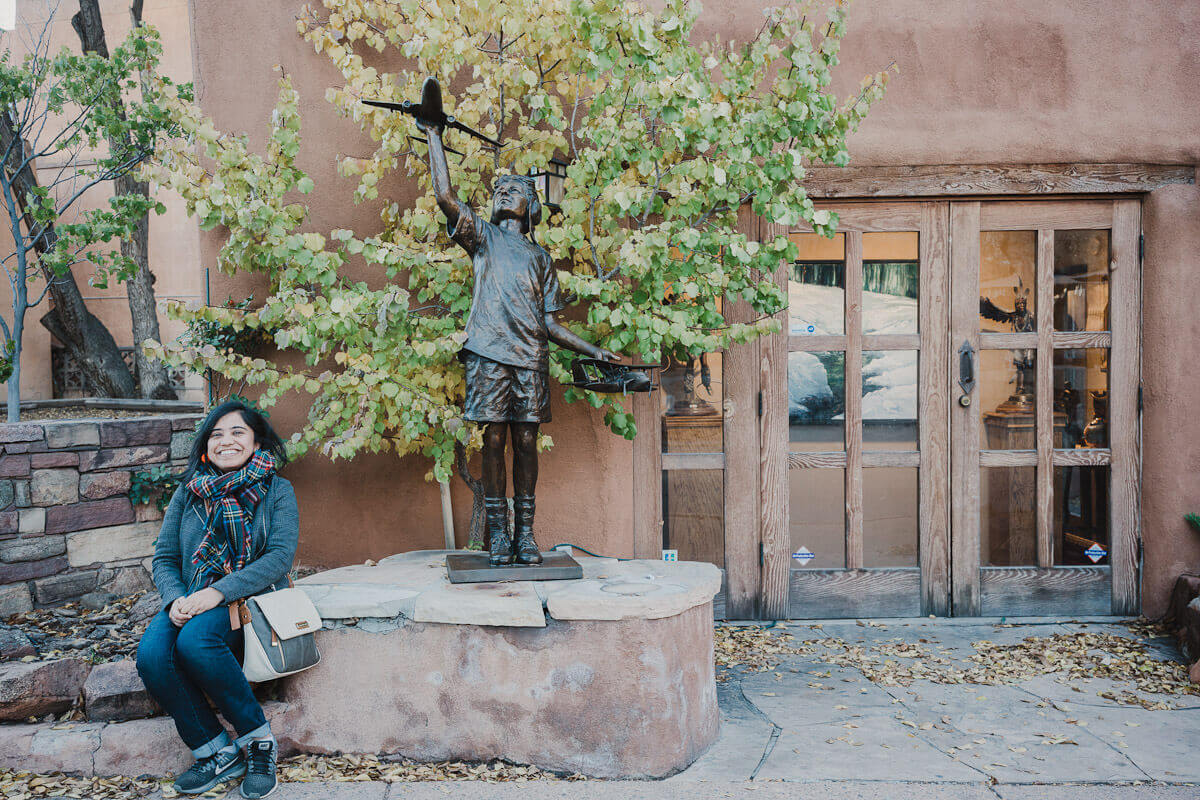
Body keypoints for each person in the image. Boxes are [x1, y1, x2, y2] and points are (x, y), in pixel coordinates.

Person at [419, 117, 620, 567]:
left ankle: (526, 533)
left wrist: (592, 349)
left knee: (526, 442)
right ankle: (499, 531)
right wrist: (434, 133)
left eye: (515, 190)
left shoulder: (540, 257)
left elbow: (549, 323)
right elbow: (445, 197)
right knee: (492, 440)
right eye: (499, 191)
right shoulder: (484, 239)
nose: (504, 193)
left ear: (531, 206)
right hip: (488, 354)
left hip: (529, 358)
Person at [136, 399, 298, 798]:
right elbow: (166, 557)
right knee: (153, 657)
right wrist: (174, 599)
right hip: (192, 596)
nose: (227, 441)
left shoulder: (277, 489)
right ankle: (216, 751)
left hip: (249, 597)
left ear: (256, 443)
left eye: (237, 432)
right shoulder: (188, 493)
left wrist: (217, 592)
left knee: (196, 642)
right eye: (217, 434)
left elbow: (279, 557)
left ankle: (258, 744)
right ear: (206, 448)